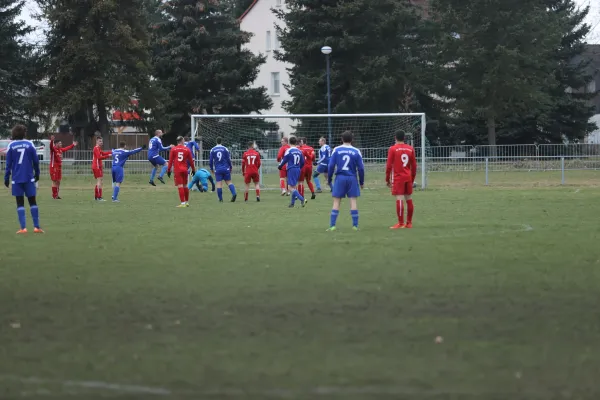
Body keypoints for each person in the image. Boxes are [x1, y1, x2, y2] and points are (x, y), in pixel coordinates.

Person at [3, 124, 43, 234]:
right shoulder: (29, 144)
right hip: (29, 177)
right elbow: (35, 160)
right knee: (32, 201)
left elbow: (8, 164)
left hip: (16, 179)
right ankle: (36, 227)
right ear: (24, 133)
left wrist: (6, 177)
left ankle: (23, 228)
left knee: (19, 203)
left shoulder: (11, 145)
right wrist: (37, 173)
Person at [327, 131, 364, 231]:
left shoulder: (336, 150)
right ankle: (355, 226)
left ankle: (332, 226)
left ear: (341, 139)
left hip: (340, 178)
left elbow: (330, 166)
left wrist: (329, 178)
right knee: (353, 201)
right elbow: (361, 168)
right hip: (352, 178)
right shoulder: (356, 151)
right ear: (352, 139)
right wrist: (361, 182)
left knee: (336, 201)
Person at [386, 130, 417, 229]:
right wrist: (412, 179)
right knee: (409, 198)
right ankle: (409, 223)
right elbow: (414, 166)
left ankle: (400, 223)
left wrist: (387, 179)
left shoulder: (393, 149)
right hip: (408, 177)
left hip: (398, 177)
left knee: (399, 198)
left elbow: (389, 166)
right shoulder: (410, 149)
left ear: (395, 137)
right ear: (404, 138)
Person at [278, 136, 306, 208]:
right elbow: (303, 162)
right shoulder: (299, 151)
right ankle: (292, 203)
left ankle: (302, 199)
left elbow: (284, 160)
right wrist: (299, 167)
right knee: (293, 186)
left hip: (291, 169)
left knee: (290, 188)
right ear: (296, 142)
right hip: (298, 169)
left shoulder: (289, 150)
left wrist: (280, 166)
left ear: (289, 142)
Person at [167, 136, 195, 207]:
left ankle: (182, 203)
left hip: (178, 170)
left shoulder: (174, 149)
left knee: (180, 186)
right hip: (185, 169)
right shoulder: (187, 149)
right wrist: (193, 169)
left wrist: (168, 170)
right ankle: (187, 202)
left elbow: (170, 161)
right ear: (182, 141)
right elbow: (191, 161)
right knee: (185, 185)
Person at [49, 135, 77, 199]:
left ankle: (57, 194)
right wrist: (51, 140)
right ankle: (54, 195)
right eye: (60, 143)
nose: (61, 144)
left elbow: (66, 148)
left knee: (58, 181)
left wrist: (73, 145)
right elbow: (50, 146)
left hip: (59, 167)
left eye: (61, 143)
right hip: (54, 167)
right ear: (56, 144)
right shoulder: (53, 149)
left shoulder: (60, 150)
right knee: (54, 181)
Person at [209, 137, 237, 202]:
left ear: (216, 141)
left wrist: (211, 169)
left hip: (218, 169)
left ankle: (220, 199)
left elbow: (210, 161)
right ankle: (234, 193)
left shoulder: (212, 150)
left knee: (219, 183)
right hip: (226, 168)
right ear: (221, 141)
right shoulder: (225, 149)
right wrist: (230, 167)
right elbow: (228, 159)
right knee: (229, 182)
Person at [92, 136, 112, 201]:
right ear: (97, 141)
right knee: (99, 181)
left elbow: (103, 153)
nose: (101, 142)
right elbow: (99, 157)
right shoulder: (96, 148)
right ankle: (98, 197)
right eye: (100, 141)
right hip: (97, 166)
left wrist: (111, 152)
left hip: (99, 166)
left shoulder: (98, 148)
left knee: (100, 181)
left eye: (102, 141)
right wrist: (108, 156)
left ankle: (97, 196)